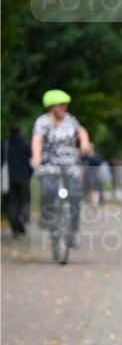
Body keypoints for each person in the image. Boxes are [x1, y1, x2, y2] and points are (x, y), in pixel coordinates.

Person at [31, 90, 92, 245]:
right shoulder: (42, 122)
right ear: (52, 107)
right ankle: (47, 217)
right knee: (49, 190)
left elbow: (81, 131)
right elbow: (37, 140)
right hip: (49, 164)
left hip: (70, 164)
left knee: (75, 197)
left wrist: (84, 143)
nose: (64, 108)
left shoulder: (70, 120)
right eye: (61, 105)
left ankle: (72, 232)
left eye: (65, 105)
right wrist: (36, 157)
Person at [3, 126, 32, 236]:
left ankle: (15, 225)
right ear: (20, 131)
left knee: (12, 203)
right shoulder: (25, 144)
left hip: (9, 179)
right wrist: (29, 174)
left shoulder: (5, 145)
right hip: (24, 178)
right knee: (24, 201)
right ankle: (23, 219)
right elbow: (31, 161)